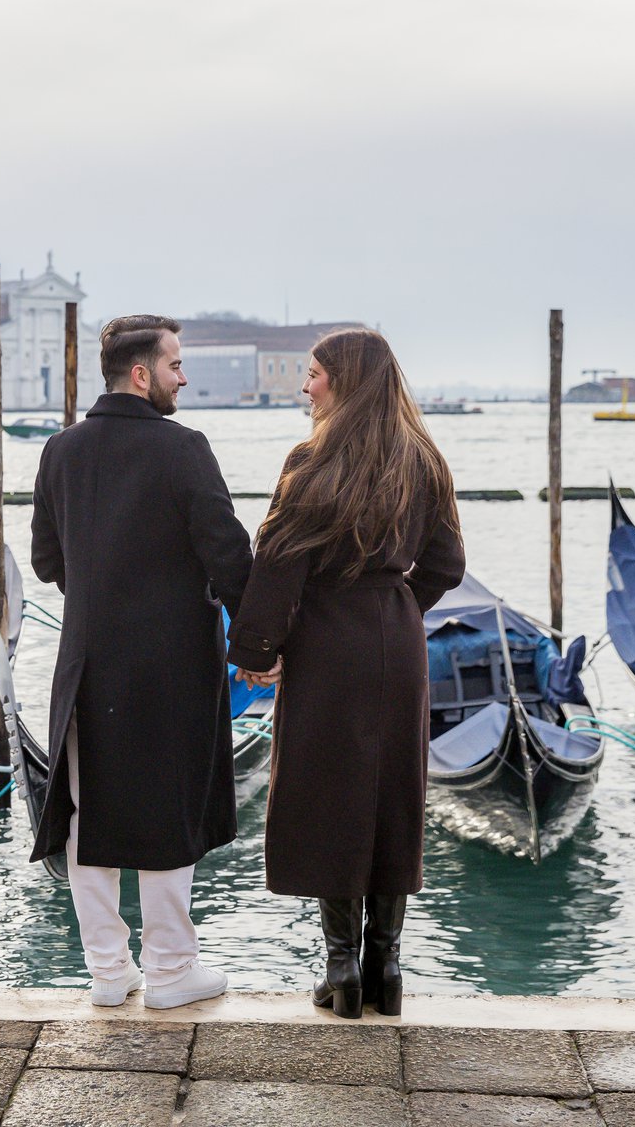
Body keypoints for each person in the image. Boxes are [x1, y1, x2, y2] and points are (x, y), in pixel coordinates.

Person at [226, 328, 464, 1019]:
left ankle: (342, 968)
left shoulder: (312, 458)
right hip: (397, 640)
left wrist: (258, 651)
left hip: (328, 646)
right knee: (393, 791)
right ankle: (387, 966)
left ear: (345, 379)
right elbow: (447, 564)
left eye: (314, 374)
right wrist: (396, 607)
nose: (306, 387)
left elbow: (278, 564)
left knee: (329, 793)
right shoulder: (424, 459)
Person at [30, 314, 254, 1010]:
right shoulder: (183, 448)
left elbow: (45, 562)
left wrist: (104, 584)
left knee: (86, 814)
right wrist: (257, 645)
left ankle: (106, 973)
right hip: (172, 666)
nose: (183, 377)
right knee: (168, 812)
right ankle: (171, 971)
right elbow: (230, 558)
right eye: (176, 364)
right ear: (141, 374)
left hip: (86, 660)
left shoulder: (59, 451)